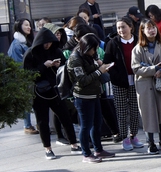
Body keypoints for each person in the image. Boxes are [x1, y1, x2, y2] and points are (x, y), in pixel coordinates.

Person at [23, 28, 82, 159]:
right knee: (42, 121)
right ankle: (47, 148)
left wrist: (58, 66)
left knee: (65, 116)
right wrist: (44, 66)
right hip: (38, 93)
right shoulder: (31, 53)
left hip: (55, 90)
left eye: (50, 42)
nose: (48, 45)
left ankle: (73, 144)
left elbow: (65, 68)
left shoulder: (56, 51)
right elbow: (27, 74)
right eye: (46, 42)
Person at [67, 33, 116, 163]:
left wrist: (99, 65)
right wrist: (100, 70)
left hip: (95, 94)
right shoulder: (75, 59)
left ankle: (98, 150)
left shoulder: (88, 55)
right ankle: (86, 154)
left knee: (97, 123)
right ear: (86, 47)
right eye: (93, 49)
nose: (94, 51)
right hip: (83, 97)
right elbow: (82, 80)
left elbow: (91, 70)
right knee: (85, 126)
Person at [131, 19, 161, 155]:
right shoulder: (137, 49)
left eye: (153, 27)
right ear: (142, 31)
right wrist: (154, 69)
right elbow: (136, 69)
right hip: (145, 84)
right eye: (148, 28)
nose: (152, 30)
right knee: (148, 113)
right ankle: (150, 142)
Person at [105, 17, 143, 151]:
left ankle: (134, 135)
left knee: (134, 109)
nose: (120, 30)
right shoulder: (113, 43)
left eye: (123, 27)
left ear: (131, 27)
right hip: (119, 81)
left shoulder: (138, 40)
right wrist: (114, 73)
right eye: (118, 27)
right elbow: (107, 61)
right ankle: (124, 137)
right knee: (121, 111)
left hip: (136, 79)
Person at [8, 18, 37, 134]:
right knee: (28, 101)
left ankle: (33, 124)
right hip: (24, 78)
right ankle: (27, 125)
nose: (29, 27)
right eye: (26, 25)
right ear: (19, 27)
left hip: (30, 76)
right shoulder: (16, 45)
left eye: (29, 25)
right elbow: (20, 65)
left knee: (33, 100)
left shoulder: (25, 41)